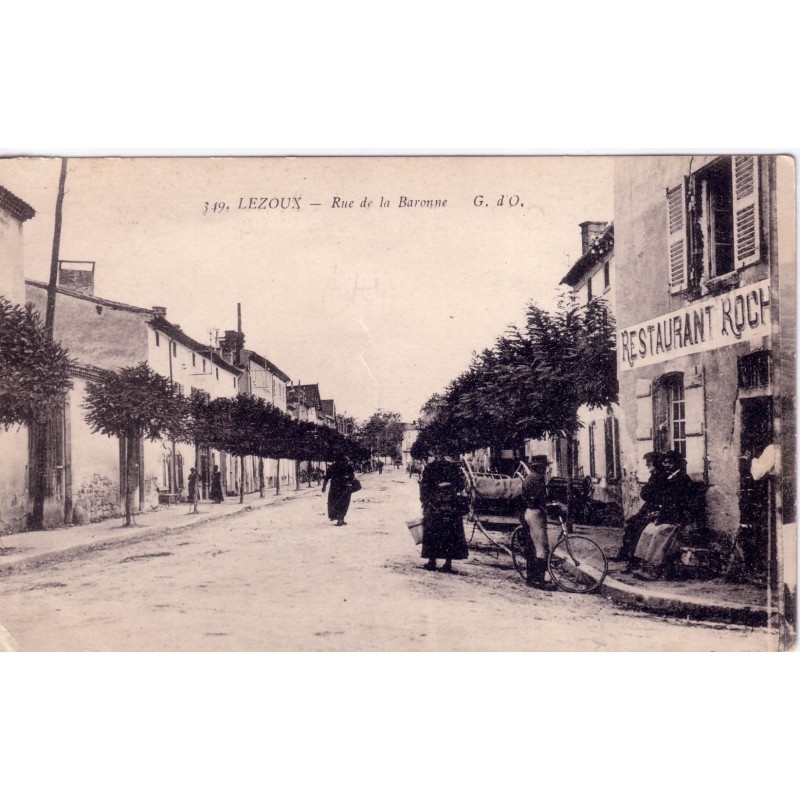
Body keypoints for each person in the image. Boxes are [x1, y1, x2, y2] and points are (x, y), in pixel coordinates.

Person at [633, 450, 701, 577]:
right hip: (667, 515)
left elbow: (681, 503)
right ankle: (644, 564)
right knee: (648, 530)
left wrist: (664, 514)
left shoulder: (682, 480)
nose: (666, 465)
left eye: (670, 462)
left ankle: (656, 568)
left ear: (677, 464)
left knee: (658, 534)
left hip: (678, 519)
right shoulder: (668, 478)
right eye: (665, 462)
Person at [614, 452, 666, 572]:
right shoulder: (655, 475)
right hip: (649, 508)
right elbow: (646, 493)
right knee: (630, 523)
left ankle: (634, 561)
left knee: (637, 528)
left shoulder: (661, 476)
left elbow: (649, 494)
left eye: (649, 461)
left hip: (656, 510)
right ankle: (628, 555)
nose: (647, 464)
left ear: (656, 462)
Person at [419, 449, 469, 572]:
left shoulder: (430, 468)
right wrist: (449, 485)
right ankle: (447, 563)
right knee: (449, 534)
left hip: (435, 504)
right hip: (450, 504)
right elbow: (461, 485)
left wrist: (425, 501)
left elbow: (424, 486)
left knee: (433, 532)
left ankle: (432, 561)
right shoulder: (453, 467)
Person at [519, 455, 553, 589]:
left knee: (532, 547)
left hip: (528, 512)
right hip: (536, 514)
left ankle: (531, 578)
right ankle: (538, 580)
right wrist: (551, 505)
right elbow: (540, 498)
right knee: (541, 547)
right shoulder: (538, 478)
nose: (546, 469)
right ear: (540, 467)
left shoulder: (528, 477)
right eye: (544, 466)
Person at [322, 453, 356, 526]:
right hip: (345, 487)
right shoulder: (348, 466)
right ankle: (341, 519)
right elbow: (352, 476)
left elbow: (326, 478)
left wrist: (324, 487)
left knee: (335, 503)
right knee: (344, 503)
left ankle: (340, 519)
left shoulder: (332, 467)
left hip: (335, 488)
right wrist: (349, 481)